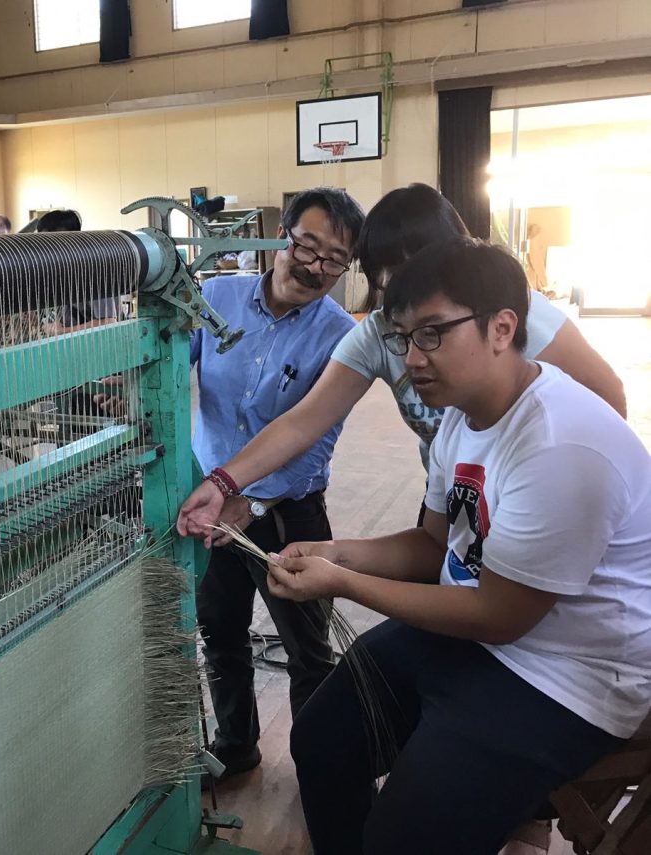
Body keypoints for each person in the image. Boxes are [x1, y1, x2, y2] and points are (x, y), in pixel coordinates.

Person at [263, 237, 651, 855]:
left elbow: (500, 618)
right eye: (404, 338)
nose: (413, 358)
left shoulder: (560, 442)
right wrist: (341, 553)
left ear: (503, 328)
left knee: (405, 837)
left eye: (434, 334)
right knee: (322, 740)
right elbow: (432, 544)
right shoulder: (460, 418)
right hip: (482, 635)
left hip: (569, 675)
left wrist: (343, 583)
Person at [178, 184, 626, 540]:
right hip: (450, 493)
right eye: (387, 274)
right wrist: (222, 484)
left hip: (531, 497)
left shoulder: (511, 311)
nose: (404, 287)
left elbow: (607, 402)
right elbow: (303, 422)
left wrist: (577, 495)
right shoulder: (377, 332)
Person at [193, 188, 365, 783]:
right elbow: (164, 369)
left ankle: (319, 771)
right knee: (220, 631)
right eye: (306, 247)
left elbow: (315, 439)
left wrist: (254, 498)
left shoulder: (342, 336)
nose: (315, 267)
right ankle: (236, 744)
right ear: (281, 238)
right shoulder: (214, 298)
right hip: (210, 506)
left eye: (335, 259)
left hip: (290, 512)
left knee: (309, 650)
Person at [36, 210, 127, 332]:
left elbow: (108, 322)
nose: (46, 250)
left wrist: (61, 332)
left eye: (50, 243)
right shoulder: (63, 272)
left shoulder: (94, 272)